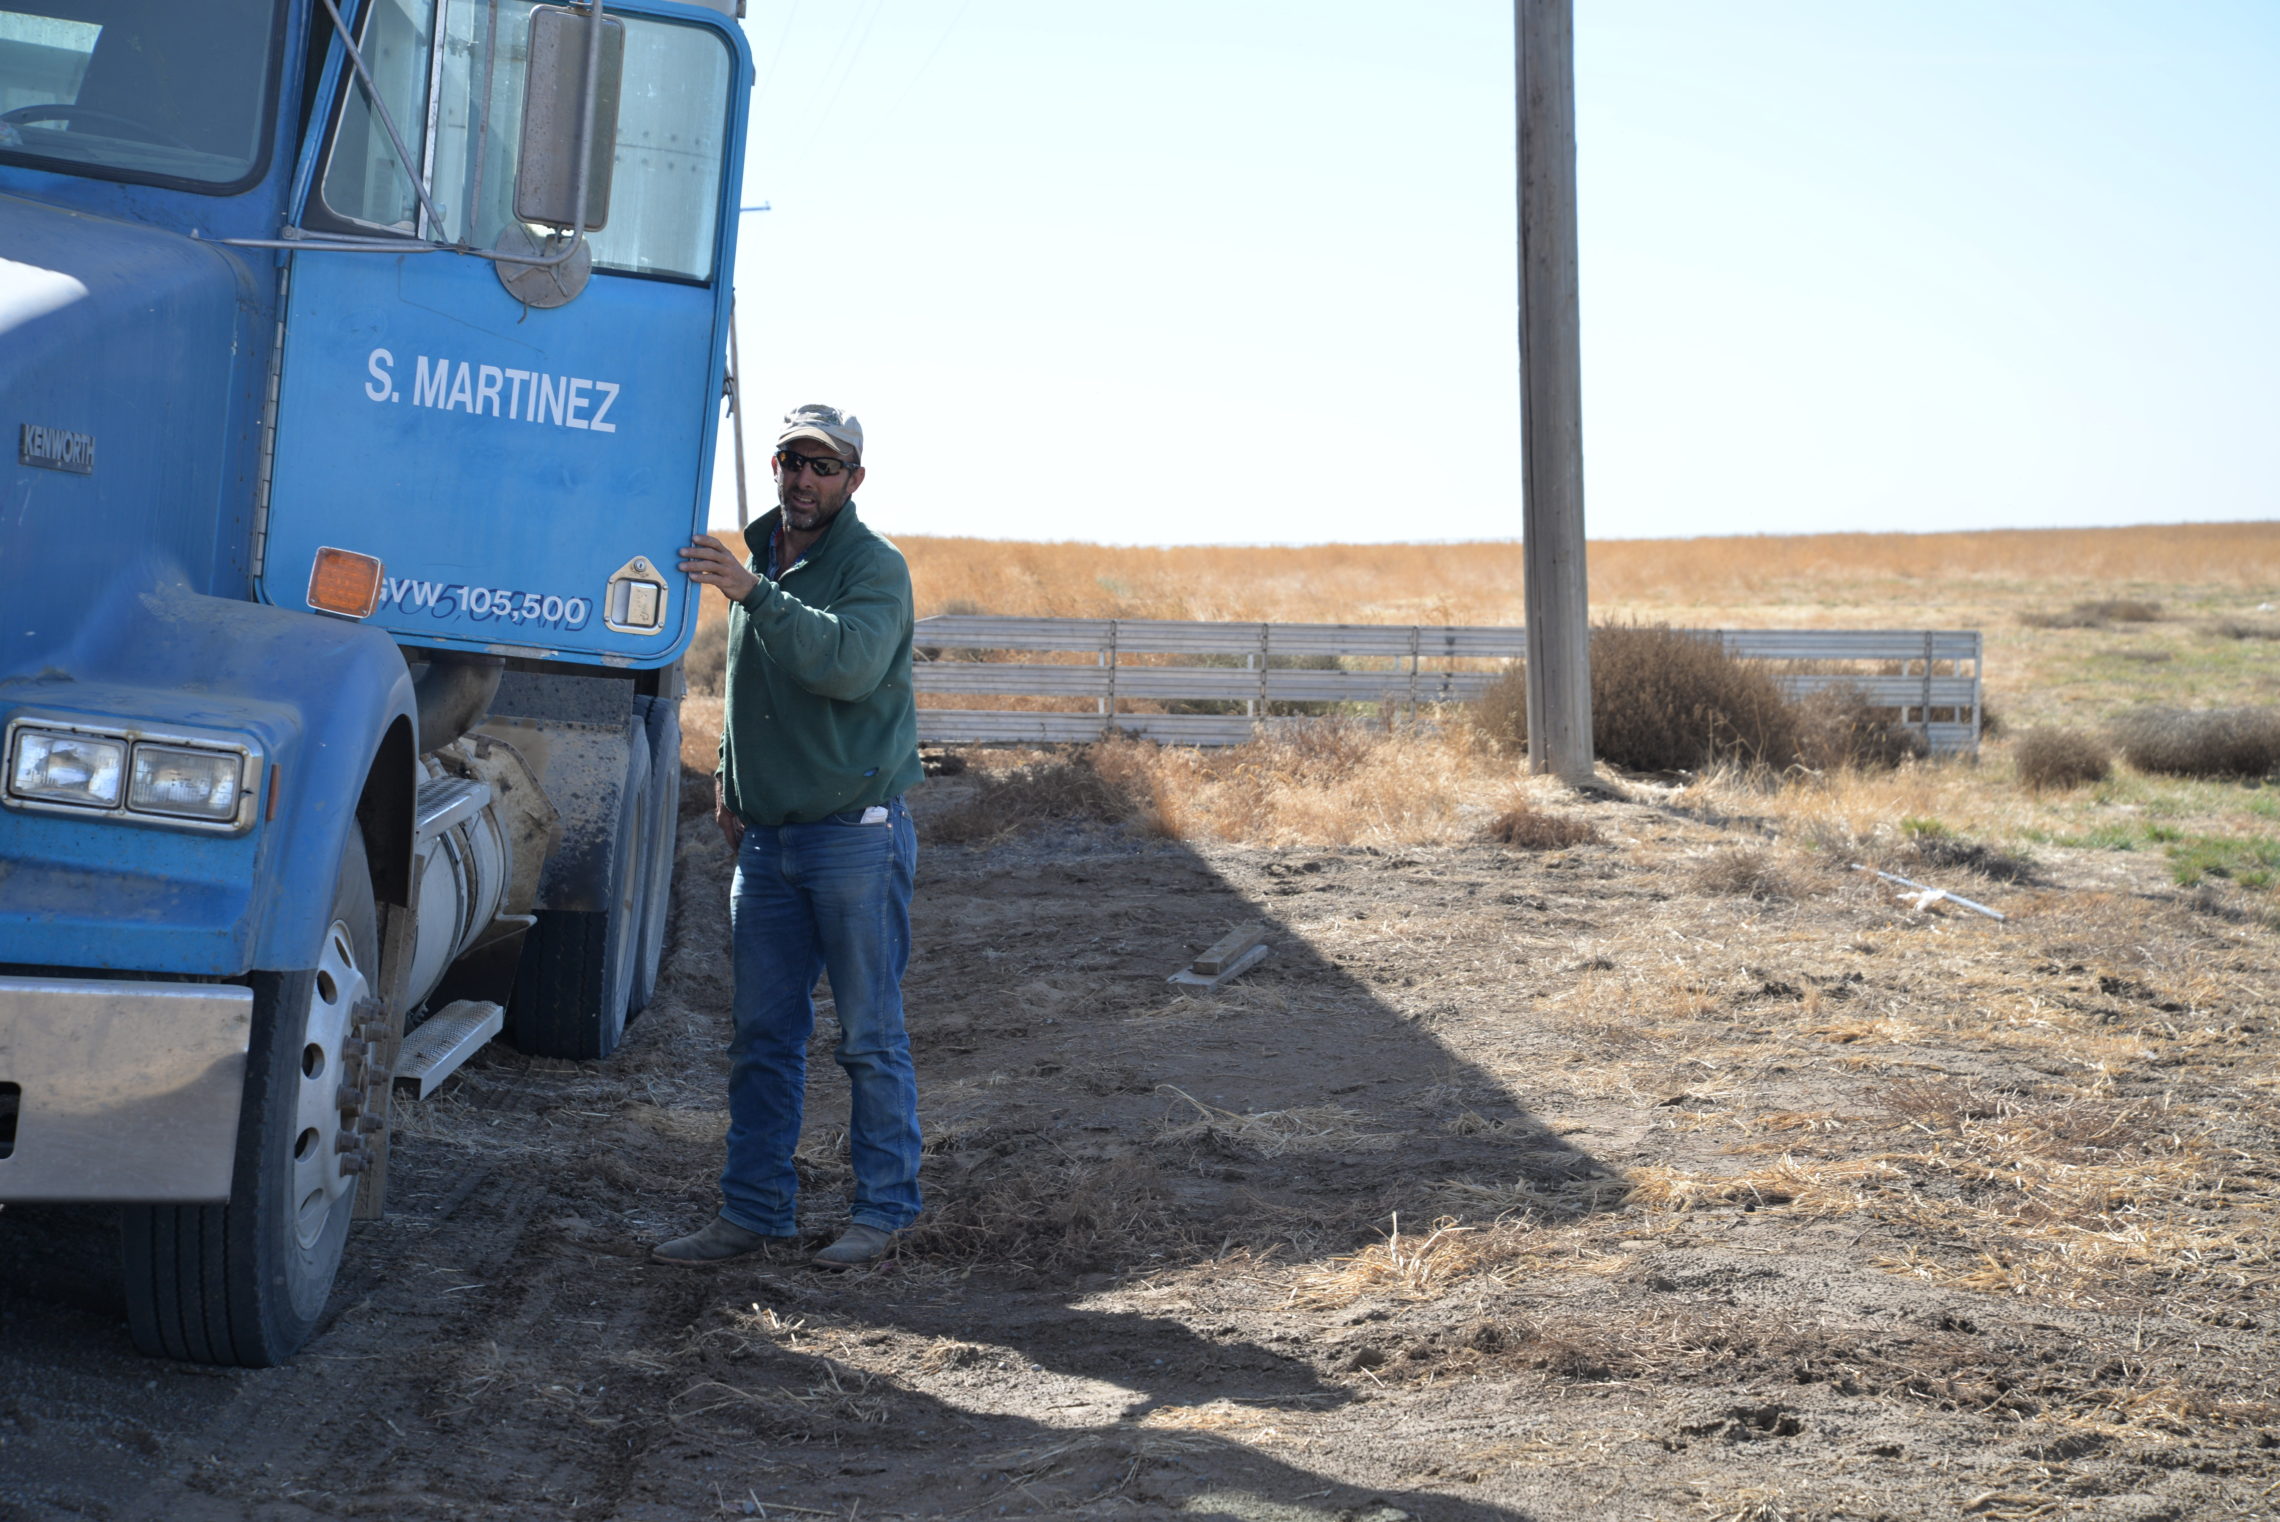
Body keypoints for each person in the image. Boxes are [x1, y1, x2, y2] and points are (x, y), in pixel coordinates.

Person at [656, 403, 925, 1270]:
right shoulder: (763, 557)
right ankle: (754, 1214)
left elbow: (846, 668)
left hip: (855, 838)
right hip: (767, 847)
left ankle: (882, 1216)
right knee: (762, 1040)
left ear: (853, 479)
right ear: (775, 468)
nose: (805, 480)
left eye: (824, 465)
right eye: (792, 462)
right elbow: (748, 688)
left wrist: (752, 593)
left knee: (869, 1038)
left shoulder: (872, 569)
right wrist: (733, 789)